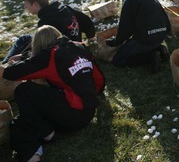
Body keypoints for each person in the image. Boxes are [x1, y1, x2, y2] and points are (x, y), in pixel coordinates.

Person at [3, 25, 105, 162]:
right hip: (89, 112)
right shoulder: (80, 47)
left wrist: (14, 62)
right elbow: (99, 79)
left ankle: (46, 135)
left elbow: (12, 73)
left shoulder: (49, 55)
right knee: (20, 122)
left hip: (72, 115)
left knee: (23, 90)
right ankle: (35, 147)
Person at [3, 0, 95, 64]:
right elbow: (86, 21)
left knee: (23, 40)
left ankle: (5, 66)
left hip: (64, 55)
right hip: (75, 46)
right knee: (26, 38)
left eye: (26, 4)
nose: (25, 7)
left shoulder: (47, 22)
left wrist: (22, 56)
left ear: (35, 4)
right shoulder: (64, 8)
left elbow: (42, 49)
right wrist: (91, 36)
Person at [105, 0, 170, 73]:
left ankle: (150, 57)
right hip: (161, 34)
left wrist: (115, 42)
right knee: (144, 43)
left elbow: (125, 29)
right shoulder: (153, 0)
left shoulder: (129, 2)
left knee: (118, 61)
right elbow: (165, 19)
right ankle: (159, 49)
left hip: (145, 39)